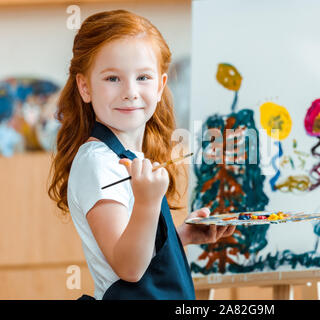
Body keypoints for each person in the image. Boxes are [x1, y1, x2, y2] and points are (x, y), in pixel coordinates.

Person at [47, 9, 235, 300]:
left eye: (143, 77)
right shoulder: (98, 162)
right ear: (85, 87)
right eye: (112, 78)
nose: (130, 92)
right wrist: (148, 203)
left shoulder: (129, 154)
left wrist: (177, 237)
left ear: (160, 86)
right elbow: (129, 267)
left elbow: (136, 246)